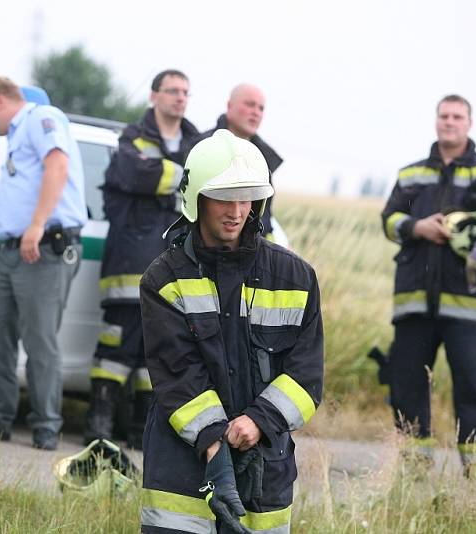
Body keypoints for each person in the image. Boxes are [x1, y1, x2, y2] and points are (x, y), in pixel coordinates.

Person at [140, 130, 324, 533]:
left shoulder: (295, 278)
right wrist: (214, 446)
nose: (237, 211)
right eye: (225, 197)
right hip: (181, 462)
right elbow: (177, 373)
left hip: (265, 462)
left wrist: (258, 421)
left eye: (247, 199)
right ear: (197, 199)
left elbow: (306, 377)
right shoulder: (165, 278)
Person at [381, 94, 476, 478]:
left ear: (469, 124)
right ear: (436, 121)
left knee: (475, 386)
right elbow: (389, 219)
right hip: (413, 302)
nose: (449, 122)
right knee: (407, 384)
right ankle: (413, 472)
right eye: (444, 115)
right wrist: (418, 226)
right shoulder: (412, 175)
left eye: (457, 116)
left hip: (467, 305)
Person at [0, 77, 87, 451]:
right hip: (13, 248)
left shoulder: (42, 118)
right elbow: (30, 183)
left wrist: (37, 224)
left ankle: (46, 427)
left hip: (43, 248)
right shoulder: (17, 135)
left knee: (39, 340)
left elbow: (57, 167)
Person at [83, 69, 200, 449]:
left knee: (160, 351)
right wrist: (184, 176)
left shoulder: (196, 141)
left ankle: (139, 430)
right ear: (154, 96)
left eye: (185, 92)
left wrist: (164, 179)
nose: (179, 98)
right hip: (130, 261)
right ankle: (99, 426)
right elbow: (133, 173)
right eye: (172, 91)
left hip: (176, 264)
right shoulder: (133, 137)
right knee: (117, 343)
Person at [201, 83, 283, 241]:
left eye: (261, 108)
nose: (256, 112)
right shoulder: (202, 148)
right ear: (229, 106)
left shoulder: (263, 158)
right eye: (250, 104)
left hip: (252, 254)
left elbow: (265, 216)